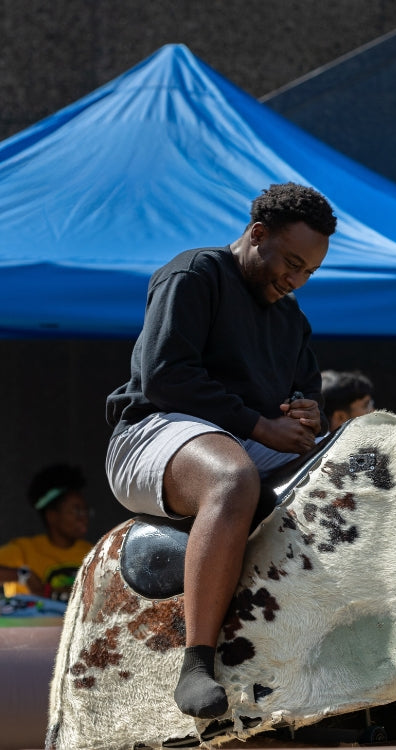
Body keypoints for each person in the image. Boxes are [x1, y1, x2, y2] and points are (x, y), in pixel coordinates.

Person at [105, 182, 337, 720]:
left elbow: (306, 393)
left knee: (346, 473)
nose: (296, 279)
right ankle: (198, 663)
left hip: (244, 438)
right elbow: (164, 377)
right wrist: (260, 425)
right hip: (154, 430)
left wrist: (306, 415)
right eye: (292, 262)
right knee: (232, 479)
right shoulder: (195, 274)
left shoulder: (291, 317)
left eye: (309, 272)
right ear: (258, 234)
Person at [0, 464, 93, 600]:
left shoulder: (93, 553)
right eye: (76, 510)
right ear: (52, 516)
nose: (83, 517)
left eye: (86, 510)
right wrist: (22, 575)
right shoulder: (23, 550)